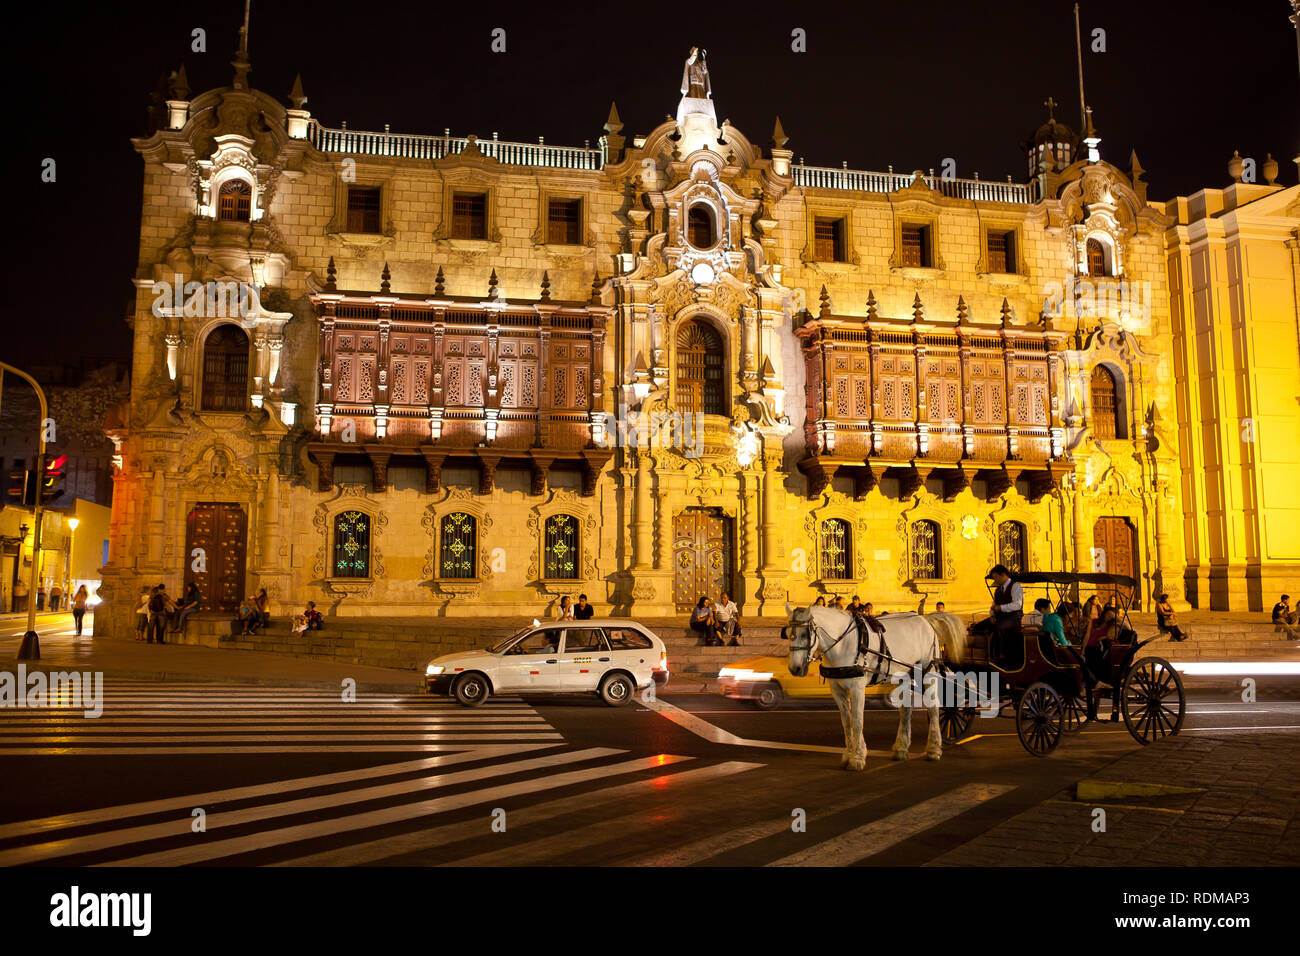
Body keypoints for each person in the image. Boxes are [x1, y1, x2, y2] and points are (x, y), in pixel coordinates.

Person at [984, 565, 1023, 664]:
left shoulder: (1015, 586)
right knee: (978, 627)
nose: (995, 580)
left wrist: (1001, 608)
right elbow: (993, 605)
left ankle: (998, 656)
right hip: (1000, 618)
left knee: (998, 627)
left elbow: (1017, 605)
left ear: (1003, 575)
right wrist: (992, 615)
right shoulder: (998, 590)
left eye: (996, 577)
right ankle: (981, 654)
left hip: (1013, 619)